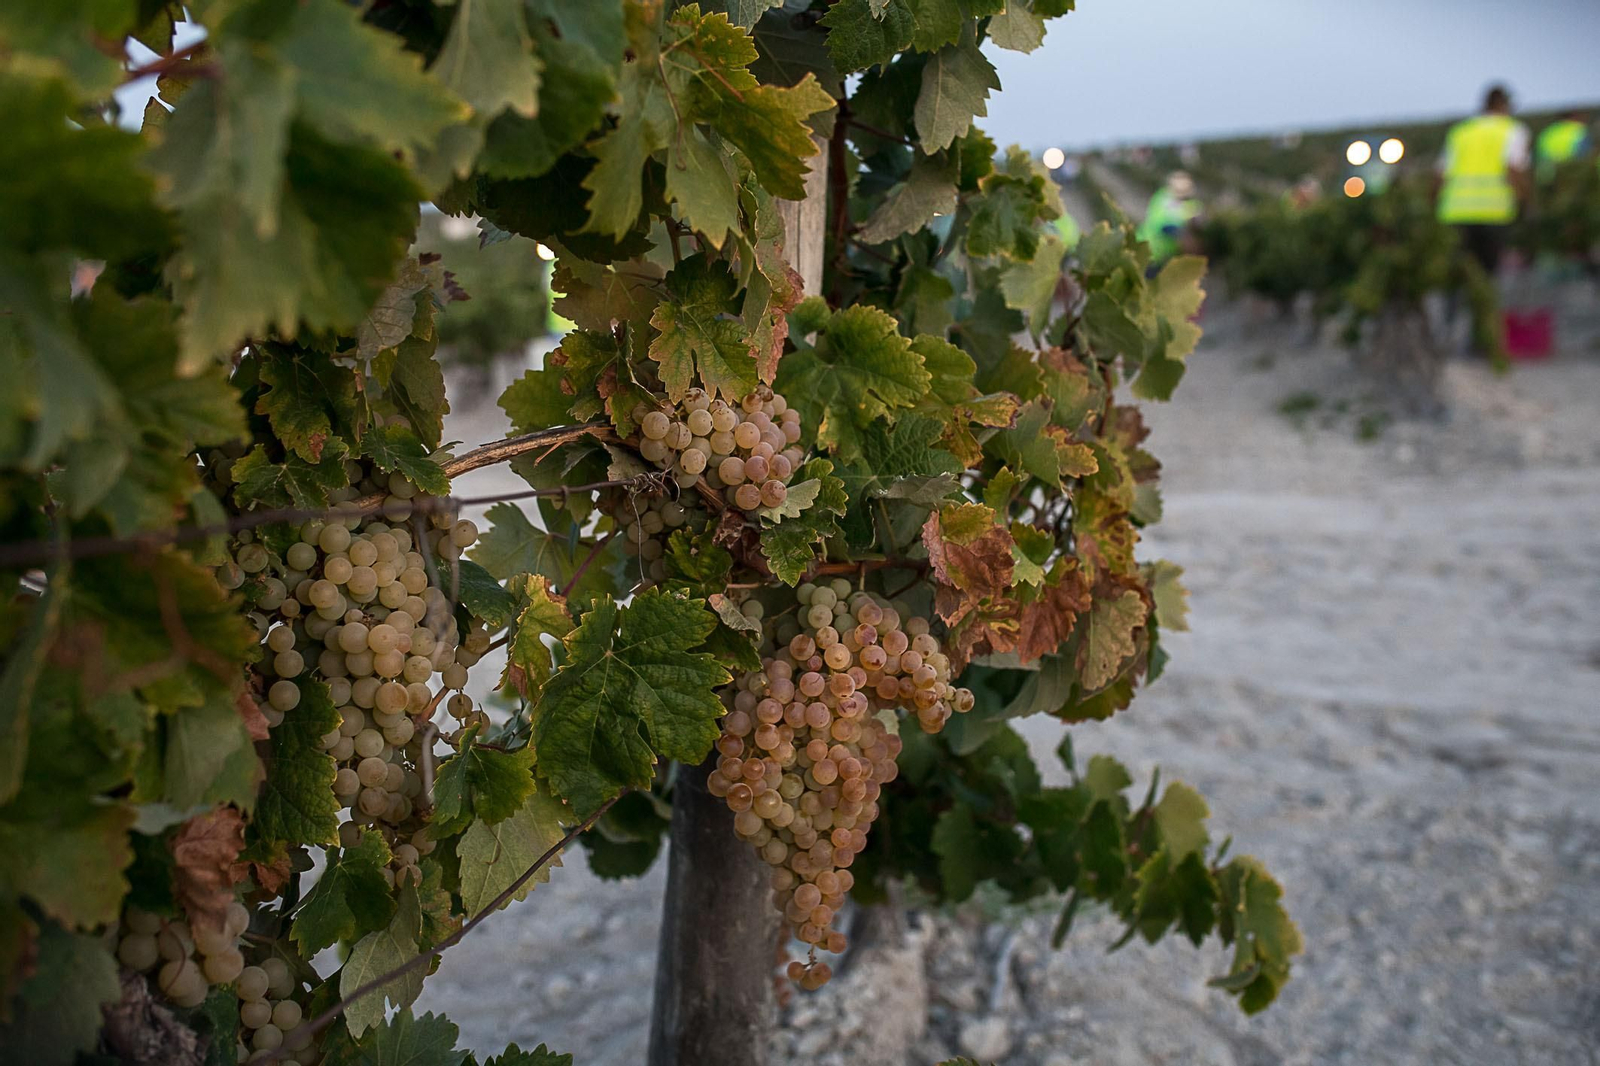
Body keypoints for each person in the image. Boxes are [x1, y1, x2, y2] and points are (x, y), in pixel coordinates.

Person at [1434, 84, 1531, 278]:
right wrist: (1526, 203)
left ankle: (1454, 307)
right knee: (1488, 274)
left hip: (1455, 212)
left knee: (1458, 272)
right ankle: (1484, 307)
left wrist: (1432, 204)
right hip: (1494, 213)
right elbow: (1514, 170)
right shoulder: (1512, 130)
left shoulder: (1461, 132)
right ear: (1504, 105)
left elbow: (1440, 174)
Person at [1137, 171, 1201, 267]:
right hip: (1147, 249)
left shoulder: (1192, 205)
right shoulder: (1163, 199)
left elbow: (1199, 221)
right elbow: (1161, 223)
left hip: (1163, 257)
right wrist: (1181, 234)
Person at [1534, 109, 1591, 182]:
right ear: (1575, 115)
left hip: (1549, 178)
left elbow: (1539, 158)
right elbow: (1585, 157)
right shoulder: (1580, 131)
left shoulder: (1547, 132)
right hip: (1573, 176)